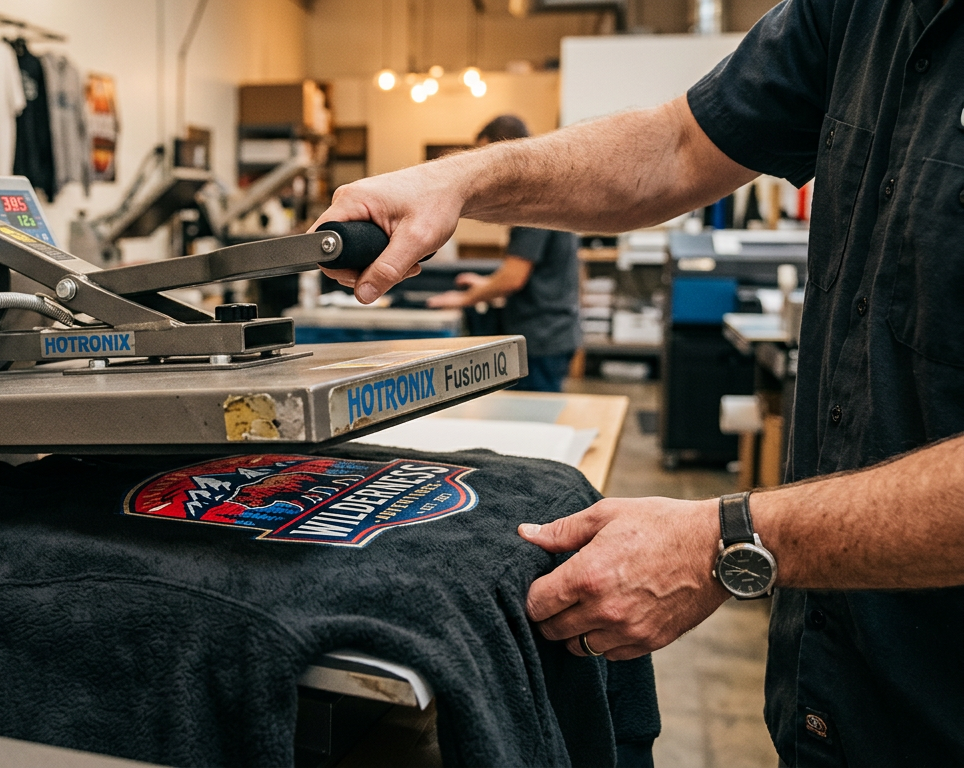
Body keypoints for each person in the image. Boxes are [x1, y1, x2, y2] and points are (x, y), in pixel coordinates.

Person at [312, 0, 964, 763]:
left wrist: (732, 540)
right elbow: (678, 145)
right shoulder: (860, 15)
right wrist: (461, 179)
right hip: (838, 686)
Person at [426, 115, 581, 392]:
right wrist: (486, 284)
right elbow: (531, 273)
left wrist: (464, 298)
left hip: (541, 338)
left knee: (534, 424)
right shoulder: (544, 190)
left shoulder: (534, 202)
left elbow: (514, 278)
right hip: (550, 332)